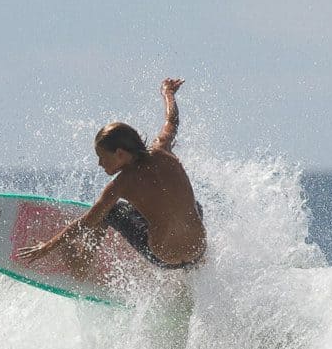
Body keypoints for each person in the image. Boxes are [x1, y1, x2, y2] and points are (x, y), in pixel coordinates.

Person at [18, 78, 206, 274]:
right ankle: (196, 267)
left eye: (102, 158)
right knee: (192, 205)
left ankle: (81, 264)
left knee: (110, 211)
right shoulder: (163, 149)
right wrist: (168, 93)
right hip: (198, 250)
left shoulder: (122, 184)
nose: (100, 164)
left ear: (120, 154)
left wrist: (46, 248)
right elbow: (172, 121)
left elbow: (87, 221)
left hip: (165, 259)